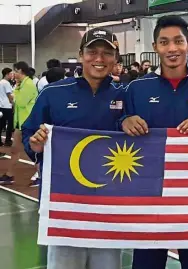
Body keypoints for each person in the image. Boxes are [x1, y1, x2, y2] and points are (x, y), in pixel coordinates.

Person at [120, 15, 188, 269]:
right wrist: (124, 121)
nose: (172, 48)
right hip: (150, 195)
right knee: (146, 264)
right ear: (155, 46)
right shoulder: (137, 88)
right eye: (164, 42)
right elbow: (117, 125)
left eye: (178, 41)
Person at [21, 27, 125, 269]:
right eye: (92, 52)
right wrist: (34, 144)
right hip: (65, 206)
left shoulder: (125, 94)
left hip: (108, 208)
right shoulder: (53, 93)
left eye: (107, 53)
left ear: (115, 59)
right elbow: (29, 133)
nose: (99, 59)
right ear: (81, 55)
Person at [0, 61, 38, 185]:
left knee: (33, 151)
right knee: (15, 150)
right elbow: (14, 101)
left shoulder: (28, 85)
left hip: (29, 123)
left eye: (15, 71)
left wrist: (16, 89)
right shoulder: (22, 84)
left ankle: (41, 176)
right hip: (21, 123)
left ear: (20, 71)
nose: (13, 74)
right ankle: (9, 175)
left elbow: (19, 102)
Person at [0, 68, 14, 147]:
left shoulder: (1, 82)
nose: (12, 75)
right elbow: (9, 95)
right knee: (10, 124)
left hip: (1, 106)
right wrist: (13, 104)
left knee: (1, 124)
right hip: (7, 106)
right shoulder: (6, 83)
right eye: (11, 74)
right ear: (7, 74)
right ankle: (8, 141)